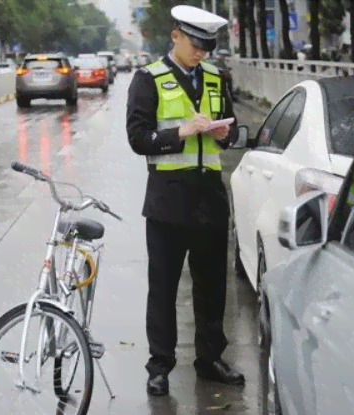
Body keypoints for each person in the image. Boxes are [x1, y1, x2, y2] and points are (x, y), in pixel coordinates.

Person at [125, 5, 244, 397]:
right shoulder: (148, 79)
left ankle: (210, 359)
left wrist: (225, 134)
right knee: (163, 288)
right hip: (167, 200)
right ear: (175, 36)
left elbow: (233, 125)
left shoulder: (215, 76)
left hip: (210, 196)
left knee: (212, 286)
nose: (202, 54)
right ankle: (159, 365)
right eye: (196, 45)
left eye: (207, 47)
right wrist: (181, 131)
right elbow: (138, 138)